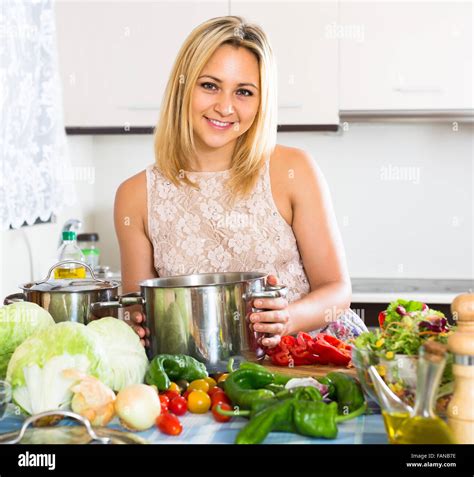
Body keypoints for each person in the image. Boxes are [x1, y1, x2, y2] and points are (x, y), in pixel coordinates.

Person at [114, 16, 367, 349]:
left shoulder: (293, 169)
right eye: (209, 85)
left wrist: (287, 317)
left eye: (244, 92)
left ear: (262, 102)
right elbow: (139, 312)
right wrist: (135, 326)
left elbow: (336, 289)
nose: (225, 106)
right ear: (182, 85)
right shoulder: (134, 196)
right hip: (205, 375)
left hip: (312, 355)